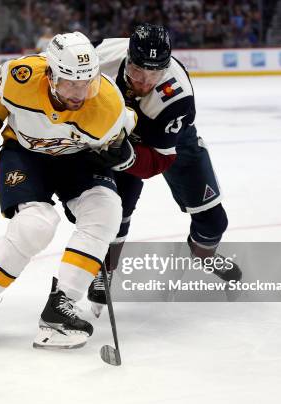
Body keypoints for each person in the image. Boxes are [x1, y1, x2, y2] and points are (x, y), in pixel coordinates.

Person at [0, 32, 137, 349]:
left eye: (86, 83)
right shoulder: (20, 76)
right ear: (50, 75)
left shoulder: (108, 105)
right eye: (70, 83)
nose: (79, 93)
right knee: (35, 224)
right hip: (25, 153)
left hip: (77, 157)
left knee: (106, 209)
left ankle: (60, 306)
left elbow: (123, 143)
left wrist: (121, 153)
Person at [88, 23, 242, 314]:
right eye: (137, 71)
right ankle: (105, 269)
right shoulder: (102, 54)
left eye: (155, 73)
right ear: (128, 58)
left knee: (213, 223)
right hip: (119, 133)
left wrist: (128, 158)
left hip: (171, 142)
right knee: (116, 210)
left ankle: (205, 256)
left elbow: (160, 160)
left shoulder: (177, 95)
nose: (144, 82)